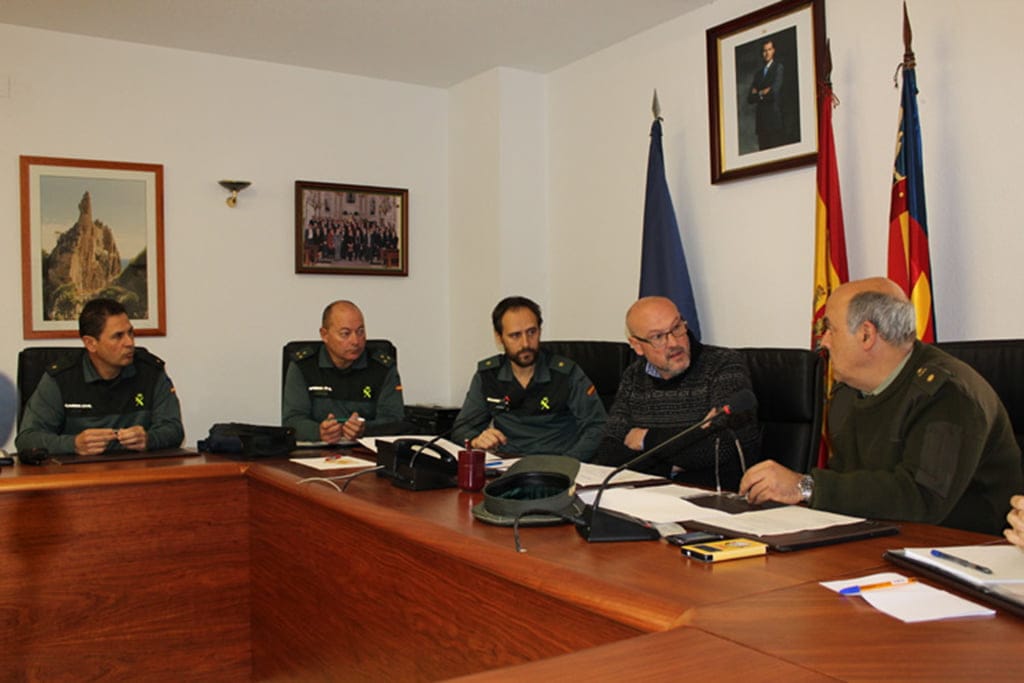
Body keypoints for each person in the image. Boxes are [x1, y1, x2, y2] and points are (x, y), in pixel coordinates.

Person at [740, 277, 1022, 536]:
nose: (822, 341)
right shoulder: (848, 392)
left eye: (830, 329)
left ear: (866, 335)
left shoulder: (948, 395)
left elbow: (920, 498)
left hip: (967, 551)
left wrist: (805, 487)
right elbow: (848, 478)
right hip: (883, 540)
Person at [592, 297, 759, 491]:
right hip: (649, 498)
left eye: (677, 328)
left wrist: (646, 439)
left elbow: (719, 447)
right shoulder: (634, 377)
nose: (673, 343)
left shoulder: (723, 366)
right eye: (658, 337)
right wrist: (670, 468)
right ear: (637, 345)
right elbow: (608, 453)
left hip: (711, 500)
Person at [15, 298, 184, 456]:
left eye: (130, 333)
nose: (130, 342)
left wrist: (148, 439)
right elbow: (27, 439)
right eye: (118, 336)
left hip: (138, 473)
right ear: (90, 343)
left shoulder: (150, 372)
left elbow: (174, 429)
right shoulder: (61, 378)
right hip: (78, 478)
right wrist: (73, 444)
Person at [452, 296, 606, 459]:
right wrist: (476, 440)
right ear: (499, 337)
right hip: (508, 463)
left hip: (558, 462)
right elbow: (461, 430)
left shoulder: (566, 374)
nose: (525, 343)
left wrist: (569, 462)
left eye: (532, 332)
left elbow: (597, 427)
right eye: (515, 336)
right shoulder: (488, 375)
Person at [282, 300, 406, 442]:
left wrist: (365, 429)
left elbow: (395, 421)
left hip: (367, 452)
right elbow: (292, 421)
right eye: (345, 333)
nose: (356, 341)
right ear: (324, 335)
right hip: (315, 454)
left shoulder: (382, 368)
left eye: (360, 332)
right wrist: (319, 432)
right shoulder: (303, 366)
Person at [747, 39, 785, 150]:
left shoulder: (778, 68)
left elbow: (773, 93)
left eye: (769, 49)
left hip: (773, 120)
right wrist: (763, 92)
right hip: (761, 123)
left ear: (773, 51)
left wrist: (758, 94)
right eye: (764, 50)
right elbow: (750, 98)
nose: (767, 53)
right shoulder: (758, 74)